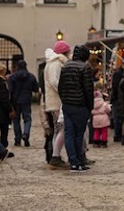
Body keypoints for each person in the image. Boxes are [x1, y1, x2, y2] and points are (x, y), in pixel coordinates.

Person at [58, 45, 95, 173]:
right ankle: (79, 160)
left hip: (67, 105)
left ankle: (73, 162)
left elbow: (60, 86)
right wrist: (90, 106)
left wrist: (64, 100)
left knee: (69, 133)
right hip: (80, 105)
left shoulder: (65, 66)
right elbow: (88, 89)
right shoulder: (85, 68)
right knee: (79, 134)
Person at [44, 41, 71, 169]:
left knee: (59, 129)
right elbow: (56, 82)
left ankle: (56, 156)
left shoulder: (54, 62)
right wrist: (65, 92)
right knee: (63, 128)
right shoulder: (56, 63)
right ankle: (55, 156)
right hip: (56, 101)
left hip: (55, 100)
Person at [8, 60, 39, 147]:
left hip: (15, 101)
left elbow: (10, 90)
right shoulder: (31, 76)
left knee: (16, 120)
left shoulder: (12, 77)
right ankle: (26, 134)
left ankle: (17, 140)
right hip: (26, 100)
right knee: (27, 119)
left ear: (17, 66)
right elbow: (36, 89)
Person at [91, 83, 111, 148]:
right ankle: (104, 142)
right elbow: (108, 109)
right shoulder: (104, 104)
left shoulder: (93, 104)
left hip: (95, 118)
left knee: (96, 131)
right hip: (103, 118)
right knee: (104, 131)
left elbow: (91, 111)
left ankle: (96, 142)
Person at [110, 61, 124, 143]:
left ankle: (118, 134)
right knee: (117, 117)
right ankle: (117, 135)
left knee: (118, 117)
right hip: (117, 98)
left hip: (119, 98)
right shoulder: (118, 74)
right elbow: (115, 87)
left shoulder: (121, 73)